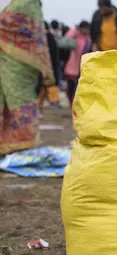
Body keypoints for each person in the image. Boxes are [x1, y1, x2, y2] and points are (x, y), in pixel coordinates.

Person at [0, 0, 54, 156]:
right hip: (5, 60)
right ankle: (6, 145)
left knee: (20, 100)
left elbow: (14, 24)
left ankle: (25, 144)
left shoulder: (27, 3)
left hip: (20, 64)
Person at [63, 21, 92, 103]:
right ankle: (71, 103)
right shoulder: (75, 37)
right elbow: (66, 38)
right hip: (73, 67)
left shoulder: (89, 38)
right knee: (71, 88)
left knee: (80, 88)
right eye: (85, 29)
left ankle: (77, 104)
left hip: (84, 67)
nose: (87, 30)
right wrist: (75, 30)